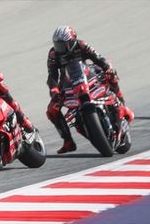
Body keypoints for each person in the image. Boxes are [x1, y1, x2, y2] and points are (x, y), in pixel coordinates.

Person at [45, 26, 134, 154]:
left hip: (88, 75)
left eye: (62, 45)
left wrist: (107, 68)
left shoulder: (81, 45)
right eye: (57, 44)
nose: (59, 48)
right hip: (68, 83)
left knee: (111, 75)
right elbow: (52, 75)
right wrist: (54, 89)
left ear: (71, 41)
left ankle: (122, 103)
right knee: (51, 110)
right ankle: (68, 141)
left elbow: (98, 57)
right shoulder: (53, 54)